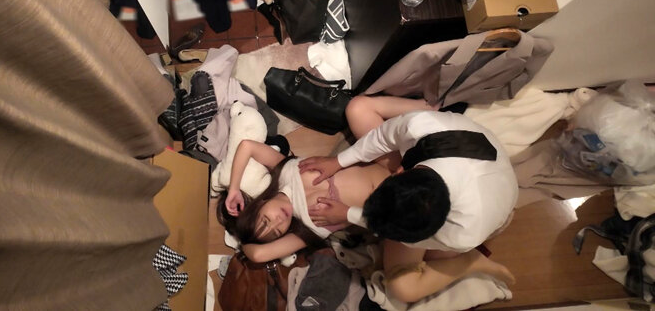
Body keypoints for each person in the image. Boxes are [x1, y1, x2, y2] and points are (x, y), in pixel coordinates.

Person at [218, 97, 515, 302]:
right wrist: (337, 161)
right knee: (358, 107)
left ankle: (466, 261)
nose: (277, 223)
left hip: (476, 196)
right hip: (459, 149)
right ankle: (471, 265)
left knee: (402, 285)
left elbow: (248, 147)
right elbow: (258, 254)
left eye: (266, 220)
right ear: (403, 171)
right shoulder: (308, 226)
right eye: (275, 231)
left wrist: (348, 214)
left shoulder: (461, 230)